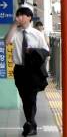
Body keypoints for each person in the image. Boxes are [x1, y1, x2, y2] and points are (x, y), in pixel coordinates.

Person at [5, 7, 49, 136]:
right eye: (18, 15)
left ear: (29, 17)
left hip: (33, 70)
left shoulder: (37, 34)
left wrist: (33, 51)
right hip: (19, 70)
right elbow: (6, 41)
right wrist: (14, 24)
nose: (20, 17)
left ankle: (30, 124)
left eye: (22, 15)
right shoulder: (16, 32)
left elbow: (46, 51)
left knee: (31, 97)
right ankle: (30, 123)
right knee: (25, 98)